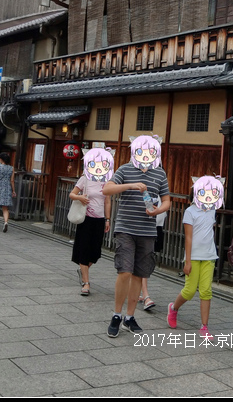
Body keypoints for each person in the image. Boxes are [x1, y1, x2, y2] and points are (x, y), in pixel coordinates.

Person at [101, 135, 170, 338]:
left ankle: (129, 317)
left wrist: (158, 211)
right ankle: (116, 315)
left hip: (148, 230)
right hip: (125, 229)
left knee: (140, 274)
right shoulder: (125, 169)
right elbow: (107, 189)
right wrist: (130, 185)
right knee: (124, 271)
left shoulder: (160, 173)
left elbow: (167, 200)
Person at [167, 175, 224, 339]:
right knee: (190, 290)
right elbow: (189, 237)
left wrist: (219, 182)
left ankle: (204, 327)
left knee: (206, 291)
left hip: (209, 255)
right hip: (193, 257)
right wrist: (188, 261)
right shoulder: (190, 212)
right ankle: (174, 308)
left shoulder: (212, 209)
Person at [70, 147, 114, 296]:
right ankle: (86, 283)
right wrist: (80, 197)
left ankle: (83, 270)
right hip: (86, 219)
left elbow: (108, 202)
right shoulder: (85, 179)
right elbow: (72, 194)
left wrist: (108, 219)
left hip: (100, 219)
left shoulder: (108, 181)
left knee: (95, 253)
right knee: (84, 248)